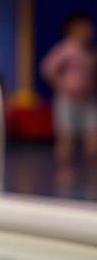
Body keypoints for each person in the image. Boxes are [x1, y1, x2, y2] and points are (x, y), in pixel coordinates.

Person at [39, 15, 97, 176]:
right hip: (68, 100)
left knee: (93, 137)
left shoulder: (90, 50)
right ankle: (64, 172)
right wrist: (62, 83)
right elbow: (47, 67)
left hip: (89, 100)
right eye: (84, 28)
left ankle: (92, 173)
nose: (88, 31)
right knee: (66, 137)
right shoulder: (66, 48)